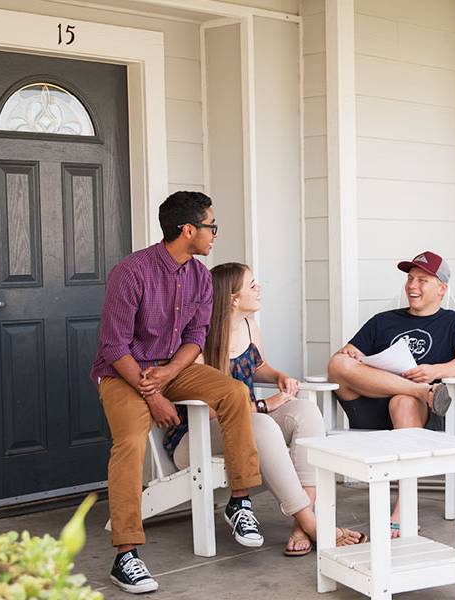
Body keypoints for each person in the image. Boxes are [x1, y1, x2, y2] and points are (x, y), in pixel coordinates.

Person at [91, 191, 264, 594]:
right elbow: (114, 347)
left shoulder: (202, 276)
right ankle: (126, 555)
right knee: (130, 444)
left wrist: (167, 375)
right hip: (122, 373)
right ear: (188, 230)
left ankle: (240, 500)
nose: (215, 235)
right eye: (211, 227)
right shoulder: (131, 272)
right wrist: (152, 394)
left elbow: (195, 337)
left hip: (172, 368)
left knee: (235, 393)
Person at [163, 262, 366, 556]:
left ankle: (303, 522)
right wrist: (263, 405)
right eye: (253, 285)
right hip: (194, 438)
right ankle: (311, 522)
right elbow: (208, 413)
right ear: (233, 298)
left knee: (306, 412)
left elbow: (256, 366)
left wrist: (278, 377)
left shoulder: (248, 325)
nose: (260, 289)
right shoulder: (199, 341)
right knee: (262, 424)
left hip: (247, 424)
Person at [327, 251, 455, 536]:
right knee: (337, 363)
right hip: (371, 408)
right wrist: (350, 353)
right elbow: (344, 361)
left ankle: (403, 508)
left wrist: (434, 370)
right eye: (410, 279)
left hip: (416, 417)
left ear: (441, 289)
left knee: (402, 401)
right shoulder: (382, 321)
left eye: (423, 280)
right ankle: (421, 391)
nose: (412, 286)